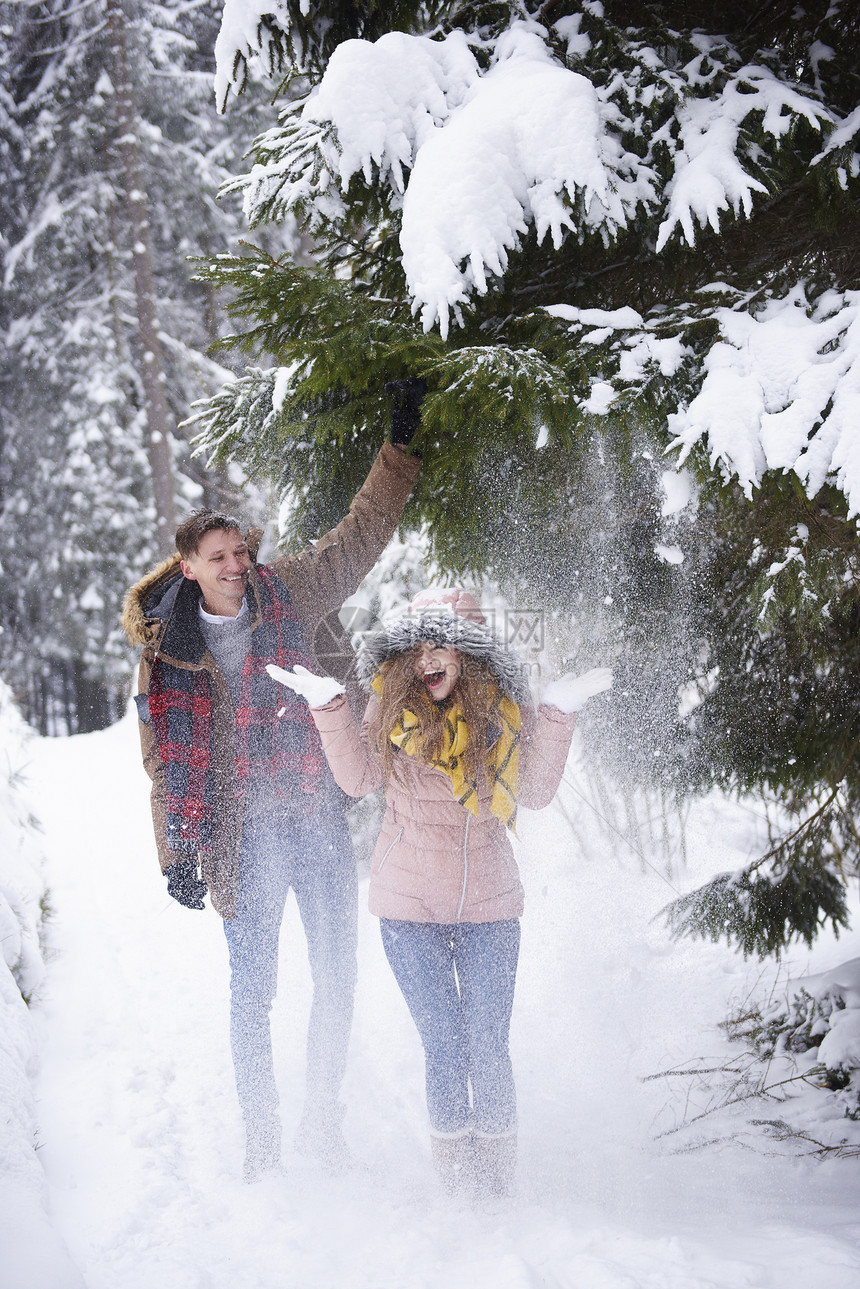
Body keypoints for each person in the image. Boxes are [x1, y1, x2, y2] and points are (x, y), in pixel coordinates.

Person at [121, 387, 423, 1182]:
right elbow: (164, 762)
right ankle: (263, 1138)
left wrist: (398, 452)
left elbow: (359, 538)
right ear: (188, 566)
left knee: (337, 976)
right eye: (216, 557)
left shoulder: (288, 589)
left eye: (240, 552)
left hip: (317, 817)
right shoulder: (168, 653)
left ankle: (322, 1120)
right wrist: (174, 853)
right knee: (253, 991)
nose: (234, 566)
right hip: (241, 835)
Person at [268, 587, 611, 1198]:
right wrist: (330, 710)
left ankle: (499, 1189)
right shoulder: (389, 707)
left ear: (469, 654)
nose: (429, 657)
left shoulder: (504, 712)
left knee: (487, 1046)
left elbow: (531, 793)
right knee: (446, 1048)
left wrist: (556, 715)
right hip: (407, 911)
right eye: (418, 645)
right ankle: (458, 1187)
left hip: (490, 905)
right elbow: (357, 780)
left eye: (444, 644)